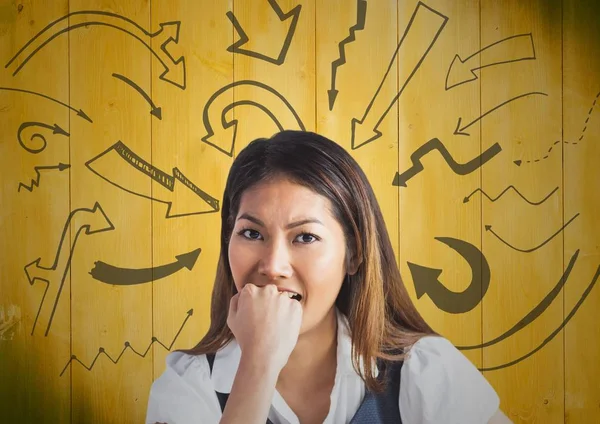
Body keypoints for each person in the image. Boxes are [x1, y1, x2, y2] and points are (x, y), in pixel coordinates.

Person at [146, 130, 512, 424]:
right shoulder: (188, 385)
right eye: (252, 233)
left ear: (353, 253)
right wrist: (258, 363)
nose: (273, 266)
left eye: (305, 237)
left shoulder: (423, 371)